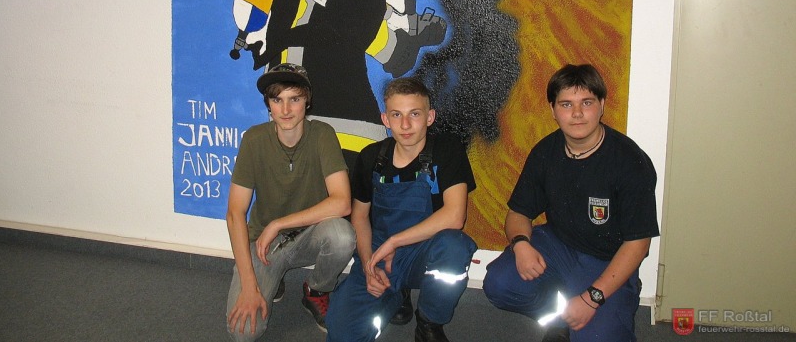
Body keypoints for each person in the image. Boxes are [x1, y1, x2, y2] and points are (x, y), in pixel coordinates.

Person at [483, 64, 659, 342]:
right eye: (566, 104)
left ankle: (605, 304)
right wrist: (521, 245)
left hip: (607, 259)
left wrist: (593, 298)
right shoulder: (545, 152)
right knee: (500, 283)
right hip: (558, 244)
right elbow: (518, 213)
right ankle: (559, 318)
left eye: (586, 103)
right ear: (553, 110)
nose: (577, 113)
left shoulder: (630, 162)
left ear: (601, 105)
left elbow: (638, 244)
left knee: (598, 337)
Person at [325, 77, 477, 342]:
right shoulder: (371, 157)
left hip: (424, 252)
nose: (405, 125)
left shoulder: (447, 149)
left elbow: (455, 216)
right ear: (385, 119)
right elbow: (359, 217)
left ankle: (429, 322)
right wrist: (369, 264)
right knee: (341, 334)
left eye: (414, 114)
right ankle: (395, 295)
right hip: (379, 253)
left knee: (455, 247)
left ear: (430, 117)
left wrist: (395, 242)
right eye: (396, 115)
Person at [225, 63, 356, 342]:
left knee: (342, 236)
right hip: (265, 246)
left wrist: (278, 223)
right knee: (243, 333)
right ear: (268, 104)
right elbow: (235, 213)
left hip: (310, 235)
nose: (285, 110)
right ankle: (273, 277)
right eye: (277, 100)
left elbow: (343, 202)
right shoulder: (254, 139)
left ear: (307, 101)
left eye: (294, 99)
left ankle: (316, 290)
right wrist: (249, 285)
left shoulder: (322, 134)